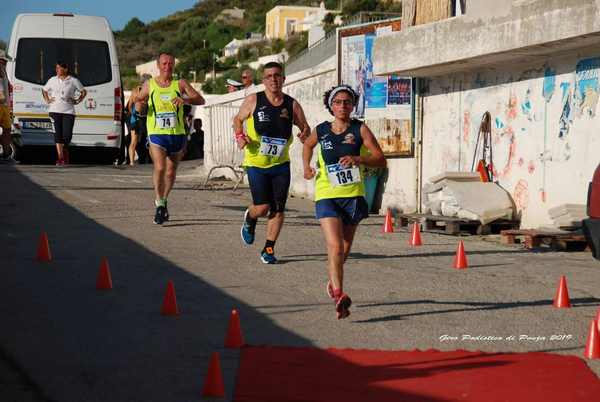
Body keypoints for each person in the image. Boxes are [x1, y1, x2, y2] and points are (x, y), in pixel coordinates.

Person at [302, 85, 386, 319]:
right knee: (335, 247)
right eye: (337, 102)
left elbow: (380, 159)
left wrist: (358, 158)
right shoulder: (321, 130)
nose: (342, 106)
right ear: (330, 105)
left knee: (345, 249)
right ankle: (339, 294)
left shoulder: (360, 129)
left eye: (347, 102)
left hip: (353, 195)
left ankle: (332, 280)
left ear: (352, 105)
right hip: (327, 194)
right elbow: (307, 145)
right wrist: (306, 168)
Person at [233, 62, 310, 264]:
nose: (273, 79)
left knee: (278, 208)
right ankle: (250, 217)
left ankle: (268, 248)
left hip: (280, 165)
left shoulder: (292, 105)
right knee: (263, 207)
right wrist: (240, 136)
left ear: (283, 79)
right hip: (256, 164)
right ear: (263, 81)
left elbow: (305, 126)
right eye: (269, 76)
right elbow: (237, 120)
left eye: (277, 75)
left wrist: (304, 133)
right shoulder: (253, 100)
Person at [132, 53, 205, 224]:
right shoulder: (150, 85)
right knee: (160, 167)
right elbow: (138, 101)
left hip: (177, 134)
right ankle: (158, 202)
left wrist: (184, 99)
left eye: (170, 64)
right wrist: (140, 106)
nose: (167, 67)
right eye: (164, 63)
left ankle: (163, 201)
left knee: (171, 172)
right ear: (158, 65)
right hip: (157, 134)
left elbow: (200, 99)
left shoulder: (180, 84)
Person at [42, 61, 87, 166]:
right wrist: (47, 100)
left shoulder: (73, 80)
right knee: (57, 135)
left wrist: (77, 100)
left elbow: (83, 92)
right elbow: (44, 90)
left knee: (67, 136)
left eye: (59, 68)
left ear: (65, 69)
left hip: (68, 111)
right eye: (56, 68)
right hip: (54, 111)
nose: (57, 70)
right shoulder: (52, 80)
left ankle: (65, 149)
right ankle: (61, 158)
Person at [0, 50, 15, 164]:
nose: (5, 63)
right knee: (6, 130)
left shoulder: (3, 70)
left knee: (7, 130)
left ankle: (6, 155)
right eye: (3, 60)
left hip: (5, 106)